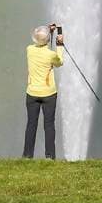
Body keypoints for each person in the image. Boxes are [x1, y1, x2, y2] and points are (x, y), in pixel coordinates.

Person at [24, 23, 66, 159]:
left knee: (31, 124)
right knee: (48, 125)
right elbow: (59, 62)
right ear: (48, 39)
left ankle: (27, 156)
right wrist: (60, 44)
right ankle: (50, 156)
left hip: (32, 94)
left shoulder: (29, 49)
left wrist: (48, 30)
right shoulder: (51, 55)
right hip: (49, 94)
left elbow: (41, 40)